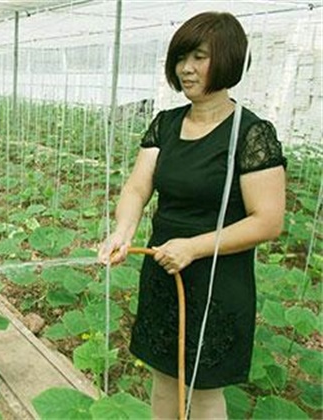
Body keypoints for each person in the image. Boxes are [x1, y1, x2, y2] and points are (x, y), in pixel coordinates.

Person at [98, 11, 287, 419]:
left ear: (228, 60)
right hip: (164, 268)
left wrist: (194, 248)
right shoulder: (165, 125)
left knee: (202, 389)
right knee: (163, 377)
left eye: (199, 57)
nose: (186, 68)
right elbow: (137, 187)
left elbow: (268, 220)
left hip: (217, 276)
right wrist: (123, 230)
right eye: (182, 57)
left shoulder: (251, 133)